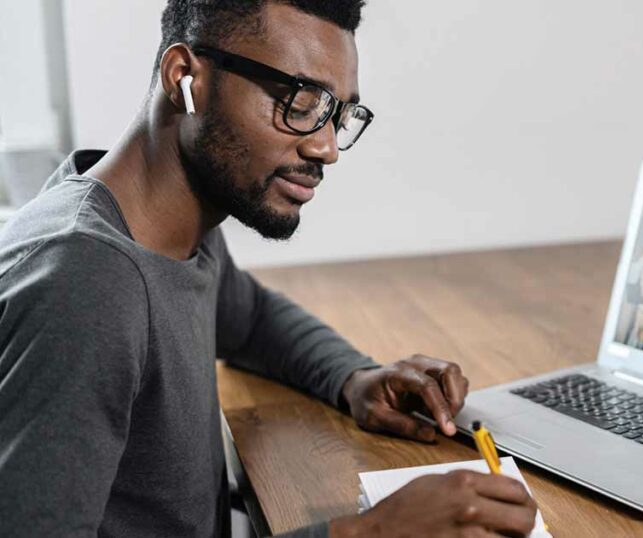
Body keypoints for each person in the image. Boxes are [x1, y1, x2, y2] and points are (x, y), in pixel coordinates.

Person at [0, 2, 537, 537]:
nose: (326, 147)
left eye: (338, 113)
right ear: (185, 77)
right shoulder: (85, 286)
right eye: (298, 101)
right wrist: (369, 533)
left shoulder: (171, 225)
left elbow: (251, 317)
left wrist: (353, 378)